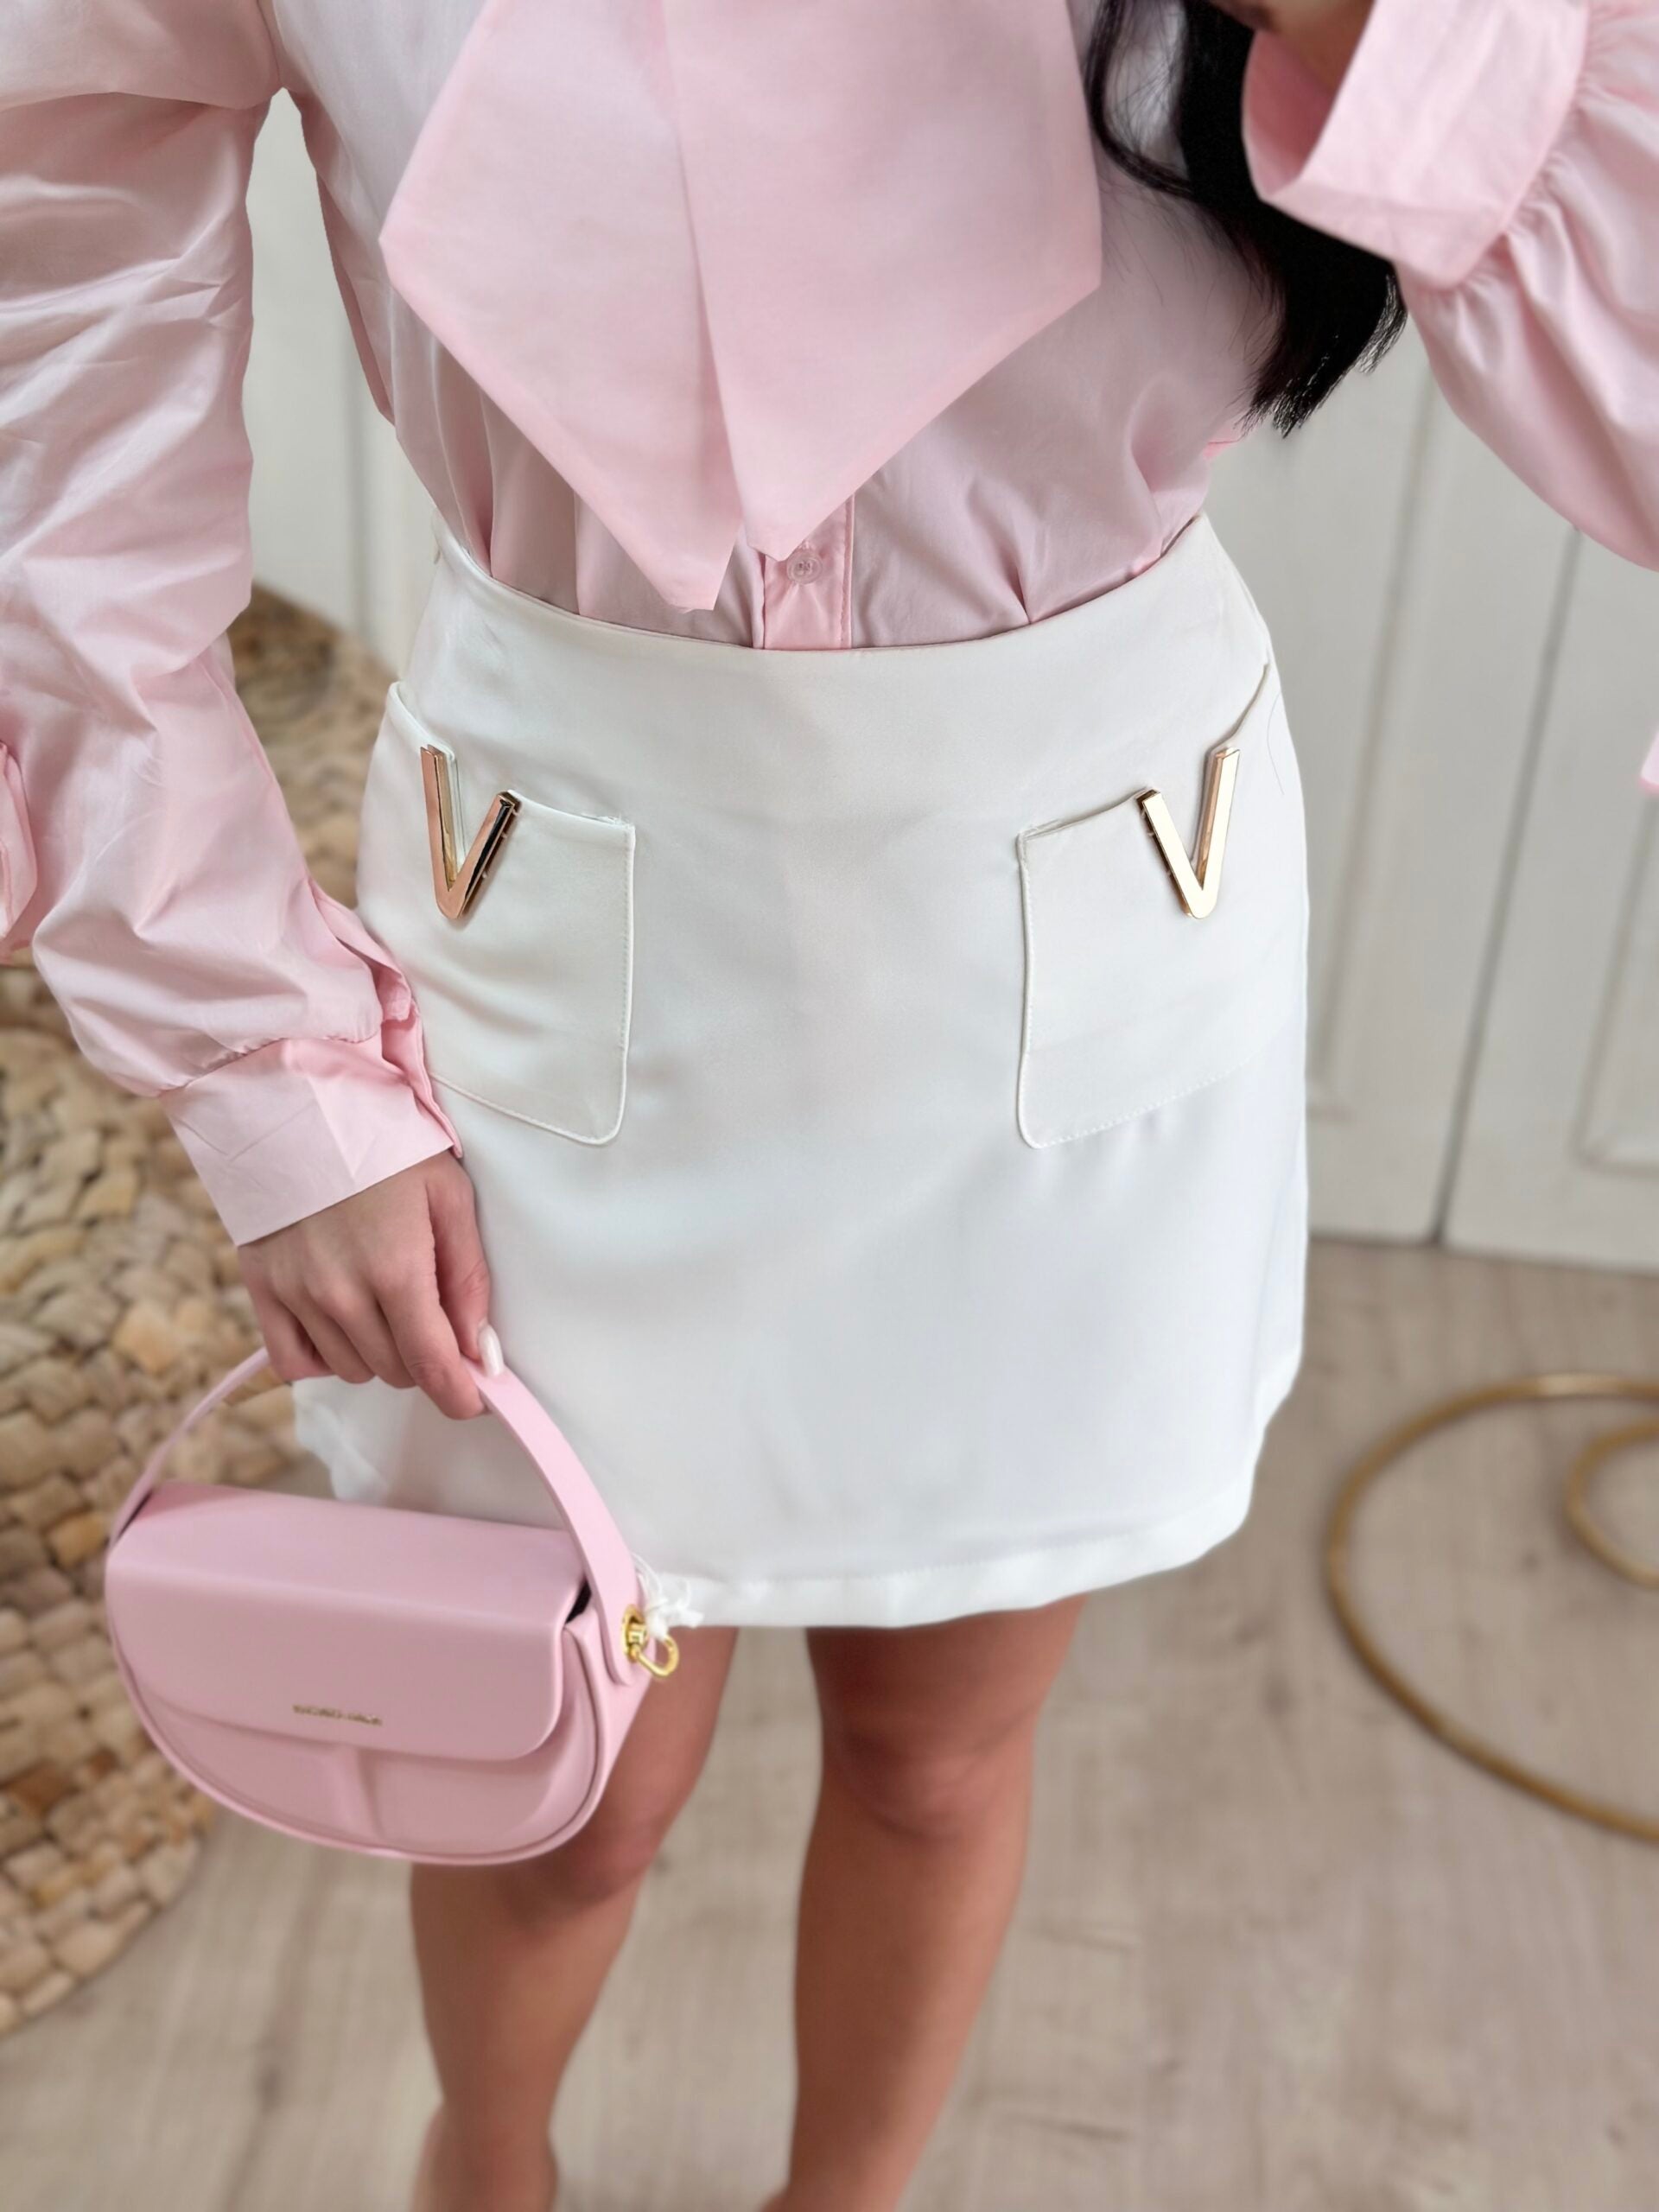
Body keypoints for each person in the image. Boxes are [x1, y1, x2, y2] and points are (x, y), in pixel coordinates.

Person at [3, 3, 1655, 2207]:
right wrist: (258, 1058)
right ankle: (483, 2173)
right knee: (557, 1776)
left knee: (939, 1753)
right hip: (557, 926)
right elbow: (48, 391)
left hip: (1080, 893)